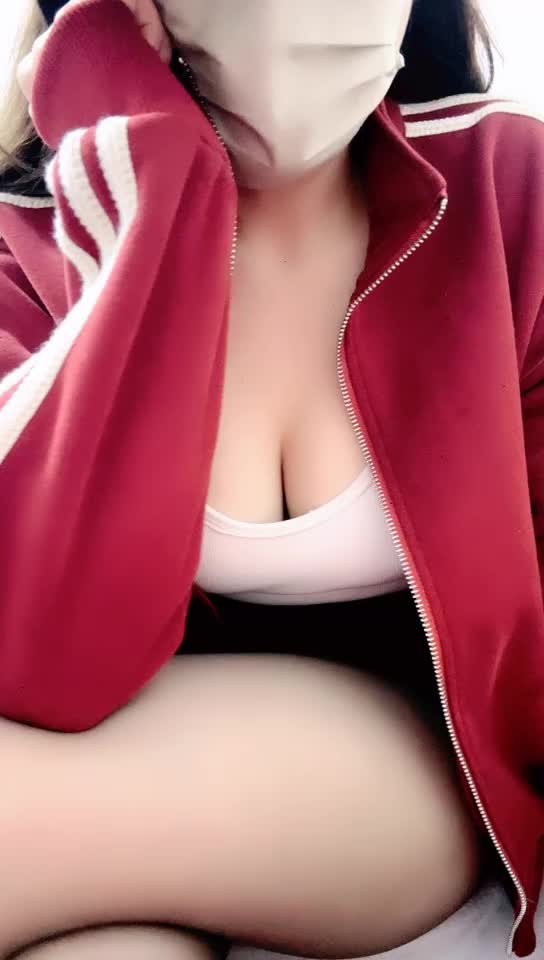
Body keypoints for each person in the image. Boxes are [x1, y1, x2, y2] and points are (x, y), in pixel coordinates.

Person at [0, 0, 543, 957]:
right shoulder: (24, 244)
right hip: (115, 746)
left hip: (400, 786)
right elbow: (42, 664)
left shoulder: (513, 190)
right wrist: (155, 182)